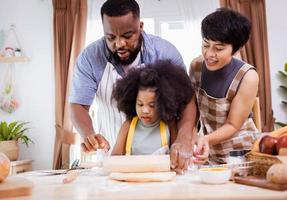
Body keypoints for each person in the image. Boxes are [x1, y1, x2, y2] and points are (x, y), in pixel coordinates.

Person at [69, 0, 208, 172]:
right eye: (111, 37)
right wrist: (89, 134)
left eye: (127, 36)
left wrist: (184, 137)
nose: (119, 44)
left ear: (140, 26)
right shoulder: (90, 58)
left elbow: (187, 99)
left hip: (162, 163)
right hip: (114, 156)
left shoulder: (164, 52)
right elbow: (78, 105)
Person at [190, 8, 259, 164]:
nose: (209, 54)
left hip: (241, 153)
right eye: (206, 45)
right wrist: (193, 134)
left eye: (219, 49)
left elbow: (233, 124)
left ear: (236, 49)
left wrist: (206, 139)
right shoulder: (196, 66)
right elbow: (192, 107)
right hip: (210, 150)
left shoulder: (248, 76)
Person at [111, 60, 194, 155]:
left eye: (152, 105)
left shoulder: (170, 125)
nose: (145, 111)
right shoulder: (128, 125)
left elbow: (175, 156)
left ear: (164, 104)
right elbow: (115, 157)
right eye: (140, 104)